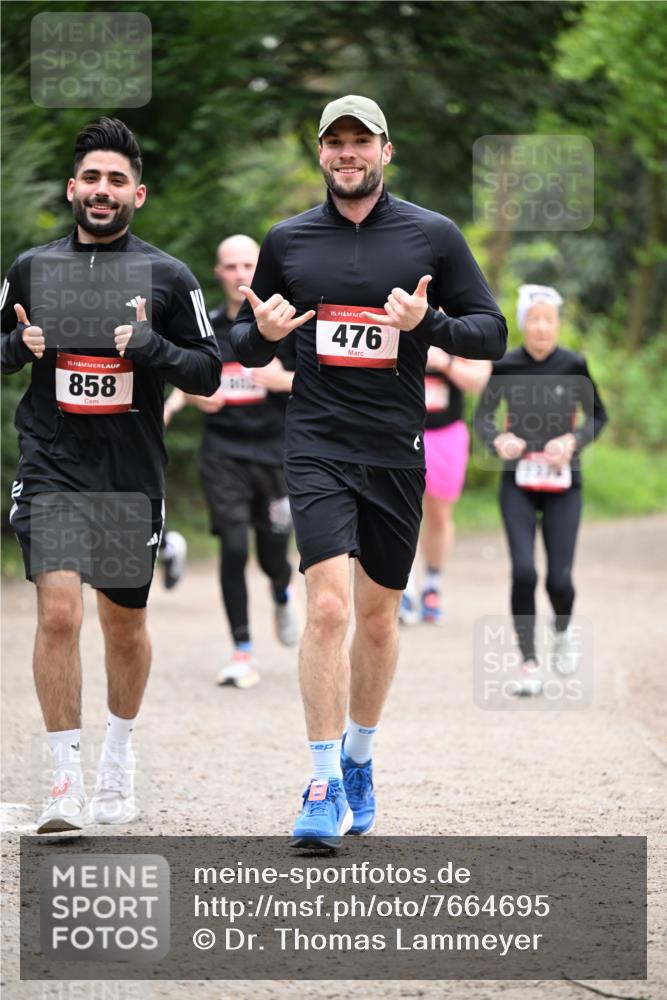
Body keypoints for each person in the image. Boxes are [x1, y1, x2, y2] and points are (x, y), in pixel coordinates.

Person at [230, 95, 507, 848]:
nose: (347, 153)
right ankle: (320, 782)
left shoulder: (432, 235)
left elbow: (490, 329)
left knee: (378, 618)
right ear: (319, 153)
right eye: (334, 142)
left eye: (361, 141)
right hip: (315, 442)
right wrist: (259, 334)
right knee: (326, 609)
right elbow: (247, 345)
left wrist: (430, 327)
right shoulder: (288, 240)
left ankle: (357, 756)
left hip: (395, 450)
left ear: (386, 150)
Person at [1, 117, 221, 834]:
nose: (102, 190)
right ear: (72, 188)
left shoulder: (168, 276)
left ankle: (117, 758)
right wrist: (19, 345)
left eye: (116, 180)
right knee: (60, 611)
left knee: (122, 624)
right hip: (53, 463)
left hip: (129, 474)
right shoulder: (32, 269)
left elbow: (210, 370)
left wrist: (155, 346)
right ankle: (62, 782)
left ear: (139, 194)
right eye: (91, 178)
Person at [164, 234, 299, 689]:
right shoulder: (207, 327)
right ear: (219, 272)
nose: (240, 274)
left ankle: (283, 591)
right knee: (235, 547)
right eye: (231, 267)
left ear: (260, 268)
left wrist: (281, 379)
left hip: (277, 454)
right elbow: (188, 378)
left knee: (273, 556)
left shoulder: (281, 321)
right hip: (224, 453)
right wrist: (187, 401)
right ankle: (242, 650)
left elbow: (317, 380)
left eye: (248, 265)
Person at [474, 284, 607, 695]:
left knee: (559, 580)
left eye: (549, 320)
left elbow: (597, 417)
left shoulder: (574, 363)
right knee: (525, 571)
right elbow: (483, 419)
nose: (542, 327)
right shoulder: (506, 365)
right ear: (523, 323)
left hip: (563, 481)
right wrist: (498, 441)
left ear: (557, 324)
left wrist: (572, 442)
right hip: (518, 480)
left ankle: (563, 630)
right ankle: (529, 664)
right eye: (535, 319)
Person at [399, 347, 491, 625]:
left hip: (445, 433)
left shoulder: (458, 321)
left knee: (439, 515)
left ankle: (432, 585)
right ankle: (404, 587)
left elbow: (480, 379)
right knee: (401, 513)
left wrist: (445, 361)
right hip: (401, 429)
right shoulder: (395, 310)